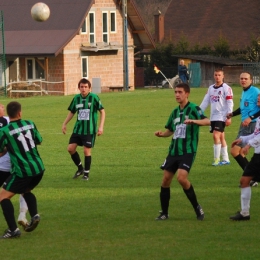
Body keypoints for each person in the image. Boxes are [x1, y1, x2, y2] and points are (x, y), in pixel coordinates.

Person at [155, 82, 210, 221]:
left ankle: (197, 207)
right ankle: (164, 213)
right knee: (165, 180)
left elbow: (208, 121)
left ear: (187, 94)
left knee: (181, 178)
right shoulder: (174, 112)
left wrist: (194, 121)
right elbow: (170, 130)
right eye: (176, 92)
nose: (177, 95)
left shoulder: (194, 109)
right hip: (173, 151)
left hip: (188, 151)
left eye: (180, 92)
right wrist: (162, 134)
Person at [0, 101, 45, 239]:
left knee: (2, 197)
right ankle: (35, 215)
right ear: (20, 112)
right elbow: (39, 140)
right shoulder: (30, 123)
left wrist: (9, 147)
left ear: (8, 114)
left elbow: (1, 152)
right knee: (25, 190)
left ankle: (13, 230)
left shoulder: (5, 131)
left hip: (23, 171)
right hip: (39, 168)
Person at [62, 78, 105, 180]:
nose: (83, 89)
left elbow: (102, 111)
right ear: (79, 88)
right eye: (82, 87)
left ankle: (86, 174)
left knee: (86, 151)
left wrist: (101, 126)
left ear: (89, 88)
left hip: (89, 130)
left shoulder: (94, 97)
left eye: (86, 87)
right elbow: (72, 112)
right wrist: (64, 123)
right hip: (78, 129)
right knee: (70, 149)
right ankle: (80, 168)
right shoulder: (76, 98)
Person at [229, 94, 260, 221]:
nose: (258, 99)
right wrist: (242, 139)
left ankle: (245, 213)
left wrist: (248, 145)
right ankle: (244, 213)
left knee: (245, 181)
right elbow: (255, 134)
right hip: (258, 156)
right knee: (245, 181)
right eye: (257, 98)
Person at [227, 72, 260, 186]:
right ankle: (251, 178)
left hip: (252, 124)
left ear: (251, 80)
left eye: (246, 79)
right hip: (244, 124)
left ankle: (252, 177)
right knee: (241, 152)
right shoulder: (244, 91)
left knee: (234, 151)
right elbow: (243, 108)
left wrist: (251, 118)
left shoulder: (255, 91)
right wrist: (232, 114)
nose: (243, 80)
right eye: (241, 78)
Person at [0, 104, 29, 228]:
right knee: (25, 189)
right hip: (13, 165)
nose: (2, 106)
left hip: (7, 165)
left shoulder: (7, 120)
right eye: (0, 106)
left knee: (20, 191)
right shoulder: (8, 120)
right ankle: (22, 216)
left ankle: (20, 218)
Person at [200, 69, 233, 166]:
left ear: (223, 76)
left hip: (222, 116)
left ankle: (216, 159)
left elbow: (230, 102)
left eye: (219, 75)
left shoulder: (226, 88)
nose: (217, 77)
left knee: (215, 135)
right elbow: (205, 101)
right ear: (213, 76)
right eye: (216, 75)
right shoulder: (210, 88)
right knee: (221, 137)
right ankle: (226, 159)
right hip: (213, 116)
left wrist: (229, 116)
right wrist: (198, 111)